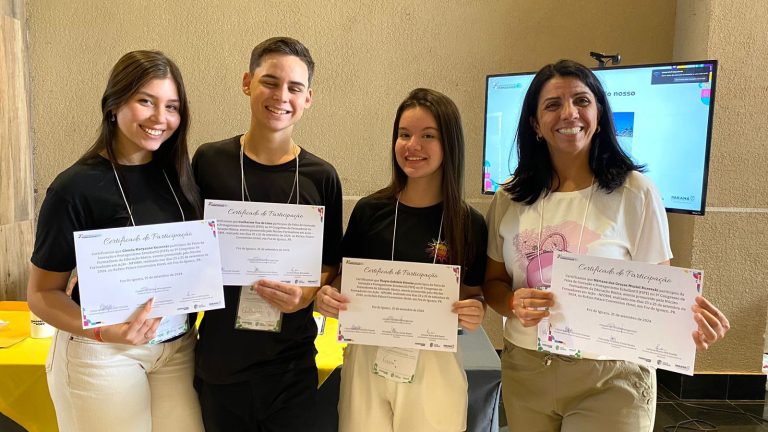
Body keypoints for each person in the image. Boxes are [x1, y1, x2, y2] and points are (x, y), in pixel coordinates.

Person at [482, 59, 731, 431]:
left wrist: (688, 323)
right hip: (527, 369)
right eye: (552, 105)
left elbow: (656, 293)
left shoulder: (636, 192)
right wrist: (513, 304)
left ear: (599, 113)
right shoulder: (510, 197)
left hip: (611, 376)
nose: (569, 113)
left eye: (582, 101)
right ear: (535, 124)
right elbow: (493, 284)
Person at [27, 50, 204, 432]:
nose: (161, 118)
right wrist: (104, 331)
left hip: (176, 347)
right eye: (146, 101)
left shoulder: (180, 177)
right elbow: (41, 294)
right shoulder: (74, 187)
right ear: (113, 105)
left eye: (172, 106)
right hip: (102, 352)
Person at [191, 37, 343, 431]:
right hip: (221, 363)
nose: (281, 96)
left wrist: (308, 293)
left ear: (308, 98)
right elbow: (187, 249)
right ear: (247, 83)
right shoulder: (209, 161)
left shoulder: (321, 177)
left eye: (294, 88)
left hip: (290, 367)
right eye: (270, 82)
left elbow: (331, 263)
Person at [316, 88, 488, 432]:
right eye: (404, 134)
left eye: (428, 136)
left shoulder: (467, 222)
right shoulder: (370, 211)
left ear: (449, 144)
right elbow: (341, 280)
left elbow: (473, 293)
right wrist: (326, 296)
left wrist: (475, 309)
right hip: (367, 356)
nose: (413, 146)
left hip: (434, 364)